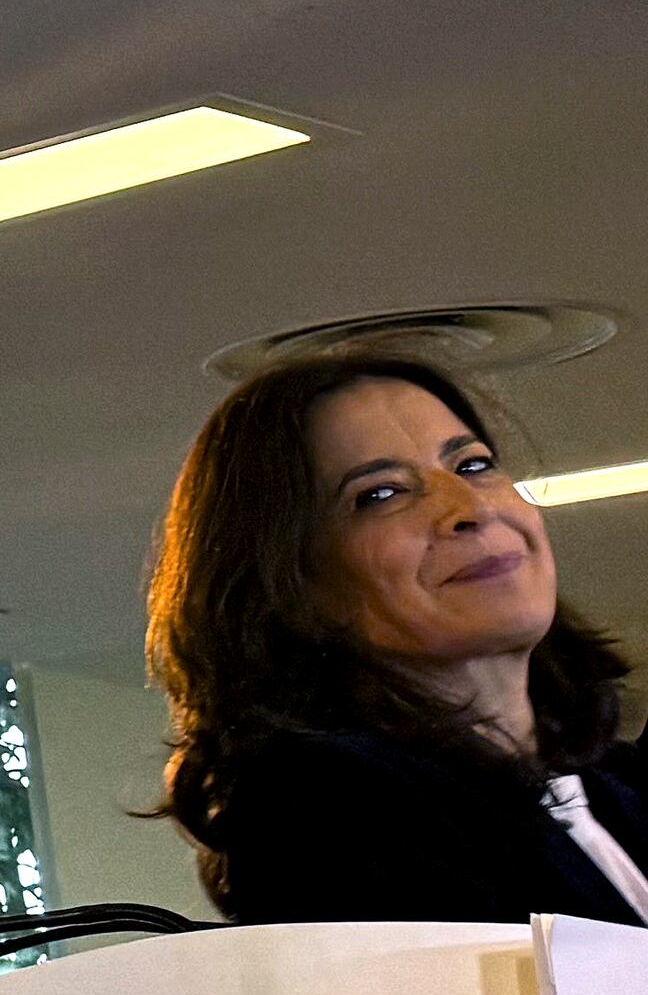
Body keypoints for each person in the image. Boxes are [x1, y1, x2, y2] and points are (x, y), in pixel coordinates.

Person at [154, 350, 648, 927]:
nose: (469, 506)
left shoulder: (616, 786)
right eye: (381, 494)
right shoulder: (327, 811)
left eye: (473, 465)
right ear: (290, 583)